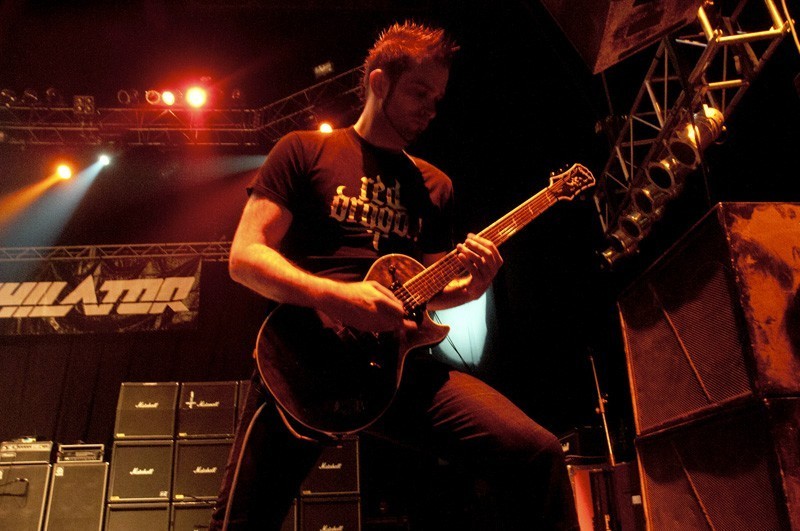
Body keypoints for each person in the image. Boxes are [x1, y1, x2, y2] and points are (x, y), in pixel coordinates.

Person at [210, 20, 578, 530]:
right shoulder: (303, 150)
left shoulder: (434, 185)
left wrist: (471, 288)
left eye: (438, 98)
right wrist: (339, 298)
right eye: (419, 92)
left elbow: (429, 292)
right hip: (303, 362)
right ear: (379, 83)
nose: (431, 108)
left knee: (536, 452)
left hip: (396, 369)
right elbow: (246, 258)